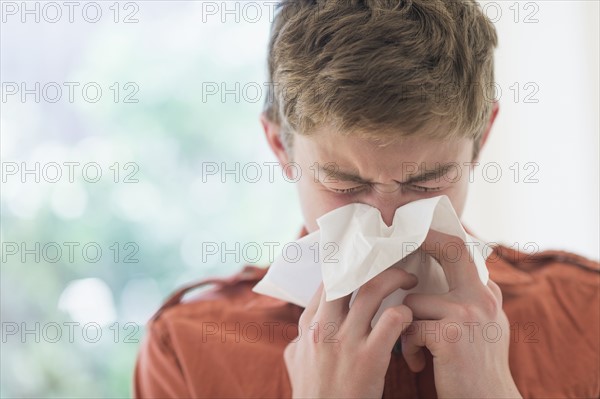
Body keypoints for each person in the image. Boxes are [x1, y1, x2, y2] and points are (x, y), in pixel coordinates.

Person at [133, 1, 600, 397]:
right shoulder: (191, 351)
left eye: (427, 181)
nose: (388, 219)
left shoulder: (585, 317)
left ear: (482, 138)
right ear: (280, 147)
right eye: (344, 184)